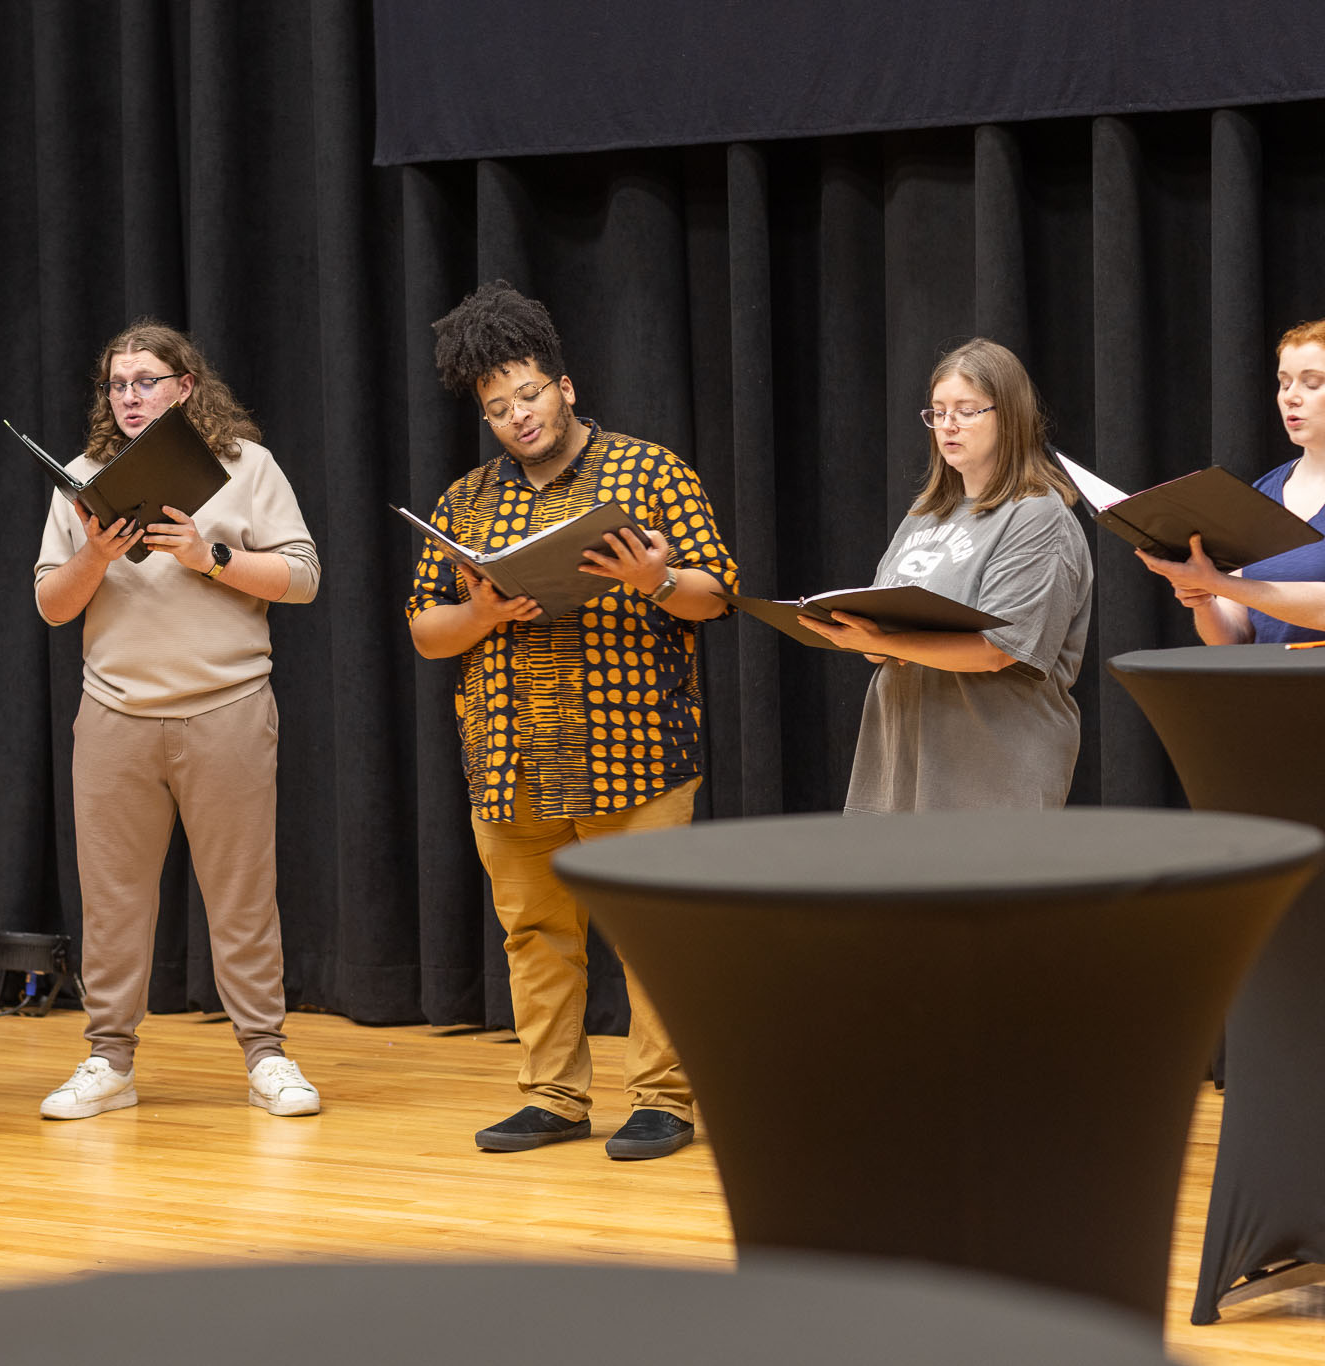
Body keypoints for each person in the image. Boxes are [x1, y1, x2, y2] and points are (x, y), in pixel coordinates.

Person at [407, 281, 739, 1161]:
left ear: (565, 388)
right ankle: (553, 1095)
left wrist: (655, 580)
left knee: (652, 934)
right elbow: (425, 630)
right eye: (497, 408)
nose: (517, 417)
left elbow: (717, 594)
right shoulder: (465, 500)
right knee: (535, 936)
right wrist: (481, 614)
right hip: (510, 756)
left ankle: (663, 1100)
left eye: (528, 395)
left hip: (633, 751)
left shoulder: (650, 472)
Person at [32, 320, 322, 1121]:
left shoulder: (245, 466)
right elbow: (51, 606)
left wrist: (208, 556)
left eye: (146, 382)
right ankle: (109, 1060)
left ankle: (266, 1055)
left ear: (185, 387)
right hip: (116, 716)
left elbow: (303, 577)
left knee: (242, 897)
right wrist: (95, 554)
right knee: (113, 903)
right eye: (117, 384)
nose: (129, 397)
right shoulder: (82, 479)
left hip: (227, 709)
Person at [802, 338, 1091, 811]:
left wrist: (884, 641)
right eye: (938, 412)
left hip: (989, 772)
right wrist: (856, 633)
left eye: (966, 410)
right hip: (900, 763)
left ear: (1009, 416)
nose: (948, 425)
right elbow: (881, 634)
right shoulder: (925, 514)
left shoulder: (1037, 515)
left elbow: (999, 650)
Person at [1135, 319, 1325, 641]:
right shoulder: (1262, 494)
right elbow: (1234, 637)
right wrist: (1203, 598)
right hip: (1269, 676)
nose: (1290, 397)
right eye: (1284, 383)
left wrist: (1219, 583)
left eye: (1312, 383)